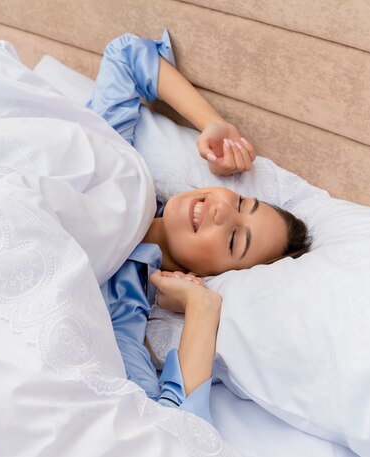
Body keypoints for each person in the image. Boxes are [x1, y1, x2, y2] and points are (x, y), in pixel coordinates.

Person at [87, 31, 311, 424]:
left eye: (233, 239)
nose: (223, 211)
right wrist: (214, 123)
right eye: (241, 201)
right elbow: (126, 56)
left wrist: (200, 307)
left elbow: (169, 430)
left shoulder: (124, 303)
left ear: (202, 275)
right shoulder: (121, 163)